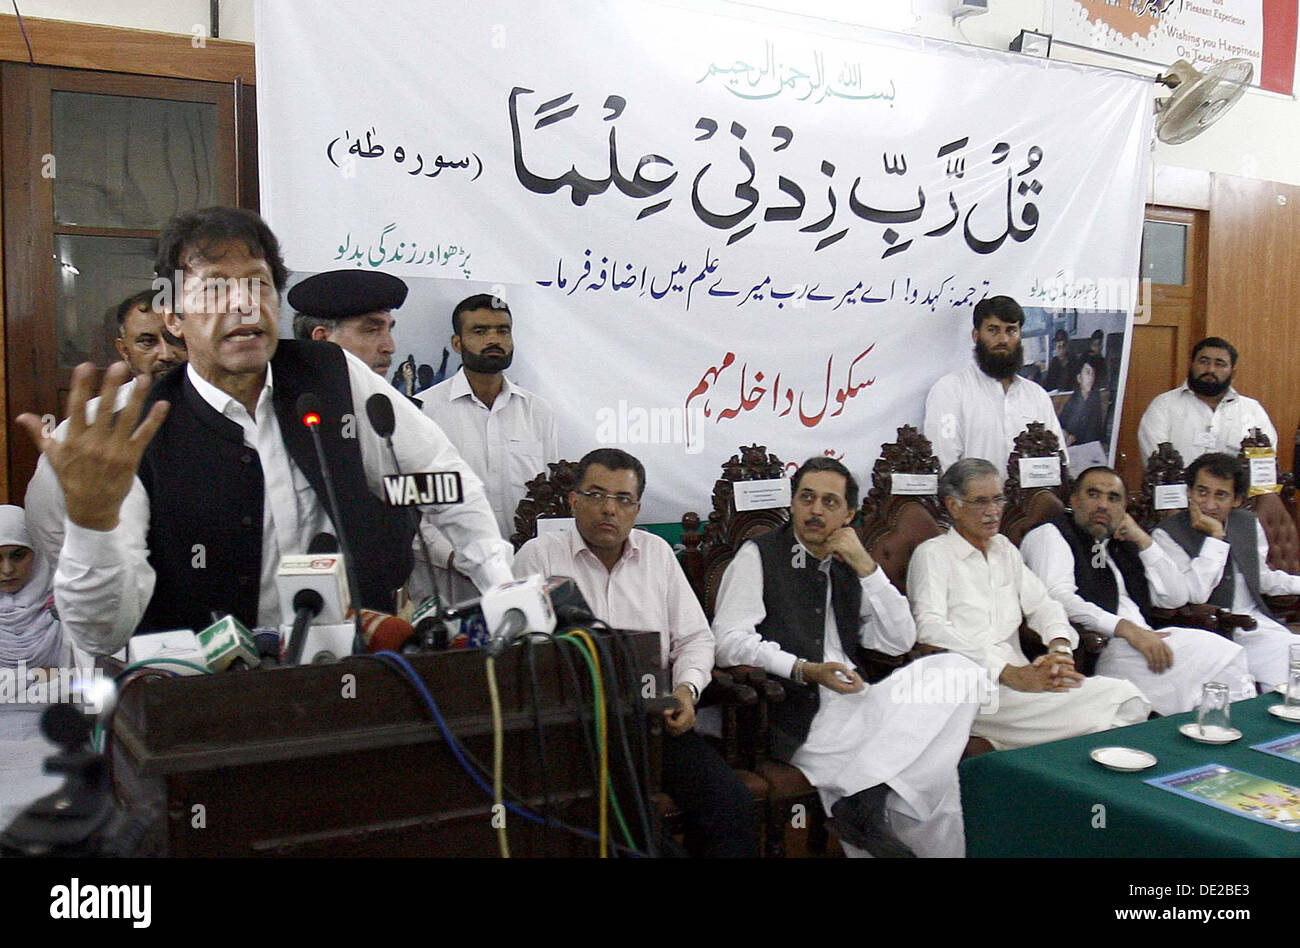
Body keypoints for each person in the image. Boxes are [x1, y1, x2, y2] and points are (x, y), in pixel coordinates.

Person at [16, 206, 512, 654]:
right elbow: (101, 632)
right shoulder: (131, 426)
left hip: (350, 673)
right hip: (198, 704)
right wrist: (94, 524)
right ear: (172, 317)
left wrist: (503, 591)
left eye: (257, 285)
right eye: (214, 290)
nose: (245, 306)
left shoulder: (333, 376)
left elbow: (443, 483)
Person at [712, 457, 980, 858]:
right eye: (807, 498)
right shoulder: (760, 555)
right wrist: (804, 669)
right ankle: (867, 796)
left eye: (829, 502)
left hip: (860, 700)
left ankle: (863, 797)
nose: (816, 510)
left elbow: (898, 641)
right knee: (932, 787)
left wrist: (867, 567)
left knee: (960, 671)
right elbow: (728, 640)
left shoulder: (852, 561)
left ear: (849, 514)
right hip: (800, 715)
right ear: (793, 503)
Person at [514, 448, 757, 857]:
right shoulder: (537, 559)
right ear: (574, 500)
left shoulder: (658, 554)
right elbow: (518, 659)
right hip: (576, 733)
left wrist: (687, 691)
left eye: (622, 499)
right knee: (636, 833)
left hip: (654, 722)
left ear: (637, 508)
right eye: (595, 495)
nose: (609, 509)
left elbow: (695, 639)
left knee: (731, 804)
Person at [907, 458, 1150, 749]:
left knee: (1127, 698)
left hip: (1026, 679)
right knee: (1106, 713)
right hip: (971, 690)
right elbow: (929, 628)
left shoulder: (1004, 549)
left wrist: (1059, 649)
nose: (993, 511)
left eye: (998, 499)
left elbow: (1044, 605)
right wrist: (1006, 672)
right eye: (980, 502)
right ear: (953, 505)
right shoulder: (933, 555)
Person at [1021, 466, 1252, 714]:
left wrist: (1143, 539)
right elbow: (1058, 598)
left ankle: (1223, 733)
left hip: (1144, 642)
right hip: (1100, 650)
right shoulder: (1051, 534)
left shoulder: (1118, 543)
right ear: (1074, 500)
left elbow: (1175, 597)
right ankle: (1228, 732)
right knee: (1223, 657)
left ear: (1123, 509)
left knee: (1224, 661)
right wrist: (1125, 629)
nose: (1103, 505)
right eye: (1093, 495)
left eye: (1113, 499)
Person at [25, 290, 189, 567]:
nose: (165, 354)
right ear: (124, 351)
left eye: (175, 339)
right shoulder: (87, 426)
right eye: (146, 342)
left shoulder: (227, 412)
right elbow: (48, 527)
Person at [415, 294, 558, 605]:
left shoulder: (538, 412)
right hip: (448, 581)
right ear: (457, 343)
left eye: (502, 331)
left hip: (523, 579)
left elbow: (550, 498)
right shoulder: (422, 411)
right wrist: (458, 558)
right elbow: (410, 510)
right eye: (480, 331)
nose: (494, 339)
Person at [1152, 452, 1300, 690]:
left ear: (1237, 500)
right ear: (1188, 492)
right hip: (1213, 634)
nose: (1209, 504)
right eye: (1202, 492)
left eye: (1220, 495)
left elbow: (1261, 578)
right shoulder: (1166, 534)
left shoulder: (1247, 523)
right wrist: (1216, 538)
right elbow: (1196, 593)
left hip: (1257, 625)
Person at [924, 295, 1066, 473]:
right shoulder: (950, 390)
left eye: (1011, 330)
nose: (1003, 340)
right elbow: (944, 467)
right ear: (976, 336)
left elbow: (1058, 462)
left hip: (1029, 500)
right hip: (971, 500)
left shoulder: (1037, 396)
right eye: (993, 330)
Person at [0, 506, 71, 825]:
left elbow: (83, 684)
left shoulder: (66, 605)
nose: (6, 570)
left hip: (56, 734)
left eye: (18, 555)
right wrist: (45, 678)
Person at [1138, 337, 1277, 463]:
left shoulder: (1251, 410)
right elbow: (1157, 461)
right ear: (1191, 365)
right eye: (1203, 362)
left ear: (1233, 373)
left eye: (1220, 364)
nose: (1210, 369)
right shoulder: (1164, 405)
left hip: (1235, 490)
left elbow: (1263, 461)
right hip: (1179, 490)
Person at [288, 269, 405, 376]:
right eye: (372, 330)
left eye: (389, 330)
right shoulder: (278, 398)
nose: (390, 348)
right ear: (322, 340)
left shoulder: (397, 400)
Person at [1058, 354, 1107, 446]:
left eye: (1093, 374)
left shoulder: (1095, 399)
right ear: (1079, 378)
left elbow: (1095, 433)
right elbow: (1062, 423)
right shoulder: (1073, 399)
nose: (1091, 378)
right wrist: (1064, 433)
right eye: (1087, 373)